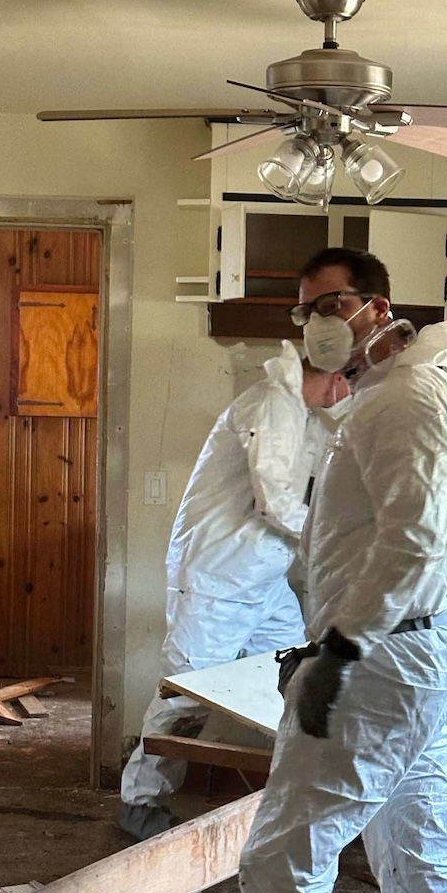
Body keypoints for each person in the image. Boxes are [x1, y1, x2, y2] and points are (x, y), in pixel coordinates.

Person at [154, 248, 447, 893]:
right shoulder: (390, 399)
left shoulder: (408, 400)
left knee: (286, 857)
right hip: (415, 661)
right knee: (419, 861)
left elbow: (413, 543)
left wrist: (340, 647)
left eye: (329, 304)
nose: (316, 325)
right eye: (304, 312)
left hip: (382, 666)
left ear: (376, 307)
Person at [120, 340, 349, 841]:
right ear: (334, 374)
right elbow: (278, 504)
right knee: (186, 695)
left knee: (296, 679)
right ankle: (141, 803)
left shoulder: (305, 417)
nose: (351, 391)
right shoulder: (272, 407)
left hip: (262, 579)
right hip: (216, 581)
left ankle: (291, 793)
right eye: (350, 379)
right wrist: (342, 542)